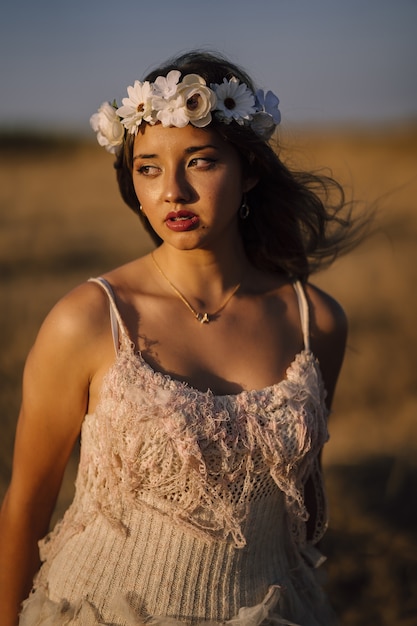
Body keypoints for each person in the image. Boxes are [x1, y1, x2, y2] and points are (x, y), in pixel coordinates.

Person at [0, 50, 361, 625]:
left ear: (250, 171)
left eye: (200, 162)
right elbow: (25, 504)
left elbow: (301, 512)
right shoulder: (91, 317)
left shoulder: (315, 322)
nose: (172, 191)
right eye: (147, 167)